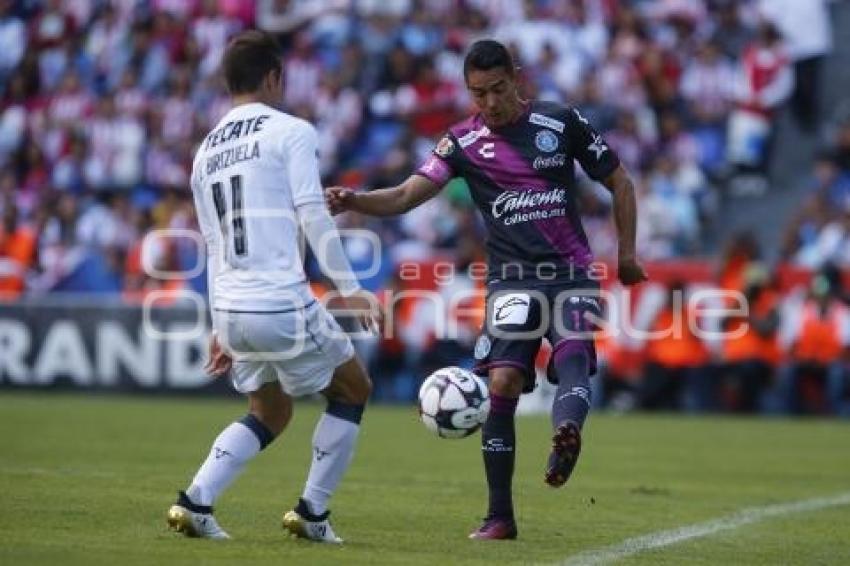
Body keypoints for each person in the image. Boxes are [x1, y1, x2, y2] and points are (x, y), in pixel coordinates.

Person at [326, 39, 646, 540]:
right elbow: (410, 193)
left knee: (573, 360)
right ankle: (500, 517)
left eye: (498, 89)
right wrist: (357, 202)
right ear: (467, 90)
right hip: (511, 282)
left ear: (515, 77)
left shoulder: (560, 121)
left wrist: (626, 253)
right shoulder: (461, 143)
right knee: (500, 385)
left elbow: (620, 181)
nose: (490, 103)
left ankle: (567, 434)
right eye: (479, 94)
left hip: (572, 273)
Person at [166, 30, 382, 543]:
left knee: (270, 410)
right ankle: (313, 513)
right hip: (279, 300)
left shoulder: (205, 152)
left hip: (233, 306)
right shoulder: (292, 131)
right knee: (353, 388)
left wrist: (220, 325)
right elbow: (311, 210)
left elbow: (214, 245)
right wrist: (348, 285)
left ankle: (194, 502)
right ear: (273, 77)